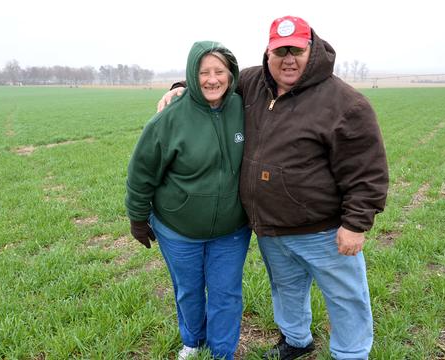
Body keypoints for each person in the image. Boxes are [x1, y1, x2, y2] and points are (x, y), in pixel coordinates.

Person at [157, 16, 389, 360]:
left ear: (312, 49)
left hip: (323, 230)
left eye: (297, 49)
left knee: (345, 296)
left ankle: (352, 354)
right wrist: (181, 86)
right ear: (268, 53)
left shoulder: (345, 103)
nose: (289, 58)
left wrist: (355, 224)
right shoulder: (253, 82)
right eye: (280, 51)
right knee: (286, 290)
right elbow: (215, 82)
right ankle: (297, 341)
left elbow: (367, 171)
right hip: (270, 228)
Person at [125, 41, 251, 360]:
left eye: (219, 71)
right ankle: (193, 342)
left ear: (231, 74)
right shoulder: (168, 119)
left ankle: (222, 352)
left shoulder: (244, 107)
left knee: (226, 294)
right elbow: (141, 173)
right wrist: (138, 219)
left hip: (231, 229)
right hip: (177, 229)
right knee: (189, 291)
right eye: (203, 72)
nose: (211, 79)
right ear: (191, 76)